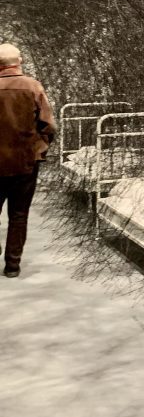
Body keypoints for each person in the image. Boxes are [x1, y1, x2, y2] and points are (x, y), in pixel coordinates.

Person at [0, 43, 56, 277]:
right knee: (19, 215)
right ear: (19, 61)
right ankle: (12, 265)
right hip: (24, 163)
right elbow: (48, 126)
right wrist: (39, 150)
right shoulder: (33, 87)